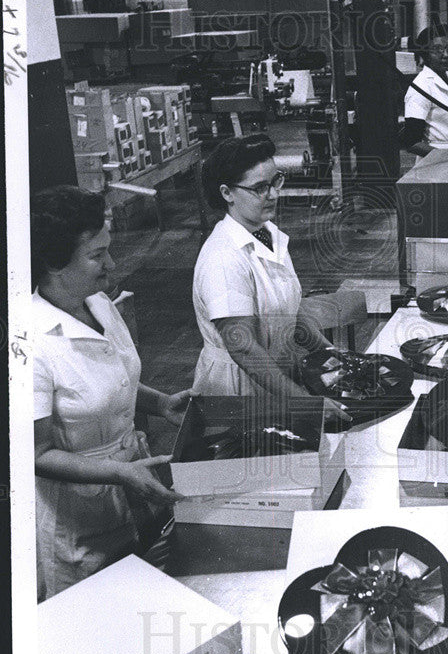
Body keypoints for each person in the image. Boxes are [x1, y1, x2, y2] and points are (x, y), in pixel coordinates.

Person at [32, 186, 192, 600]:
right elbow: (36, 453)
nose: (112, 264)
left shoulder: (98, 302)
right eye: (97, 255)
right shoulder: (29, 341)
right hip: (78, 523)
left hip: (135, 498)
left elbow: (111, 379)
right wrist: (118, 471)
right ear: (53, 262)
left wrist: (159, 403)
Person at [192, 134, 345, 415]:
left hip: (273, 377)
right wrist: (304, 402)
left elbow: (290, 314)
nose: (274, 194)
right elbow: (244, 350)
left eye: (276, 181)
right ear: (227, 193)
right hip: (237, 390)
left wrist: (332, 354)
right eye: (260, 188)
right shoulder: (223, 258)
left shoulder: (266, 233)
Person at [402, 20, 448, 156]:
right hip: (436, 164)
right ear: (426, 53)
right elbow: (410, 142)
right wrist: (444, 157)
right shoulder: (421, 87)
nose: (445, 55)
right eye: (437, 50)